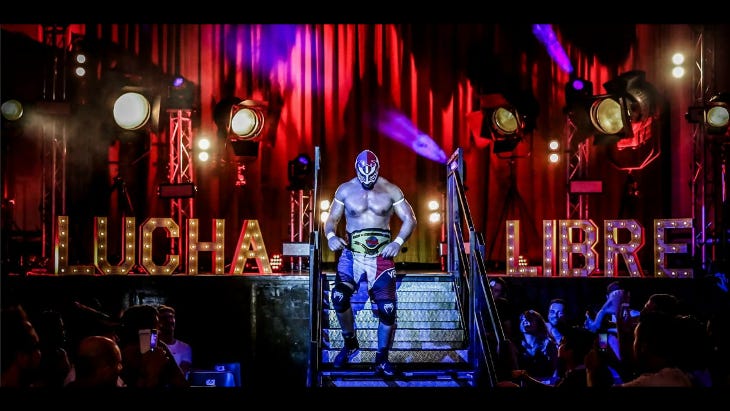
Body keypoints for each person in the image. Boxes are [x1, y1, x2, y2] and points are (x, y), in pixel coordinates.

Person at [323, 149, 417, 378]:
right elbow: (331, 219)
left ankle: (382, 358)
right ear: (356, 170)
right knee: (338, 297)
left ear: (377, 171)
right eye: (363, 175)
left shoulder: (391, 190)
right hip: (352, 254)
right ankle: (350, 344)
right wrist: (331, 236)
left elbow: (410, 219)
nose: (368, 180)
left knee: (387, 309)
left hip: (382, 258)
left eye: (371, 176)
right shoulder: (345, 189)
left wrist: (398, 241)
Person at [157, 305, 193, 376]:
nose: (169, 320)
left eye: (171, 317)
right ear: (157, 322)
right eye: (164, 318)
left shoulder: (185, 348)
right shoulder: (152, 346)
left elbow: (181, 374)